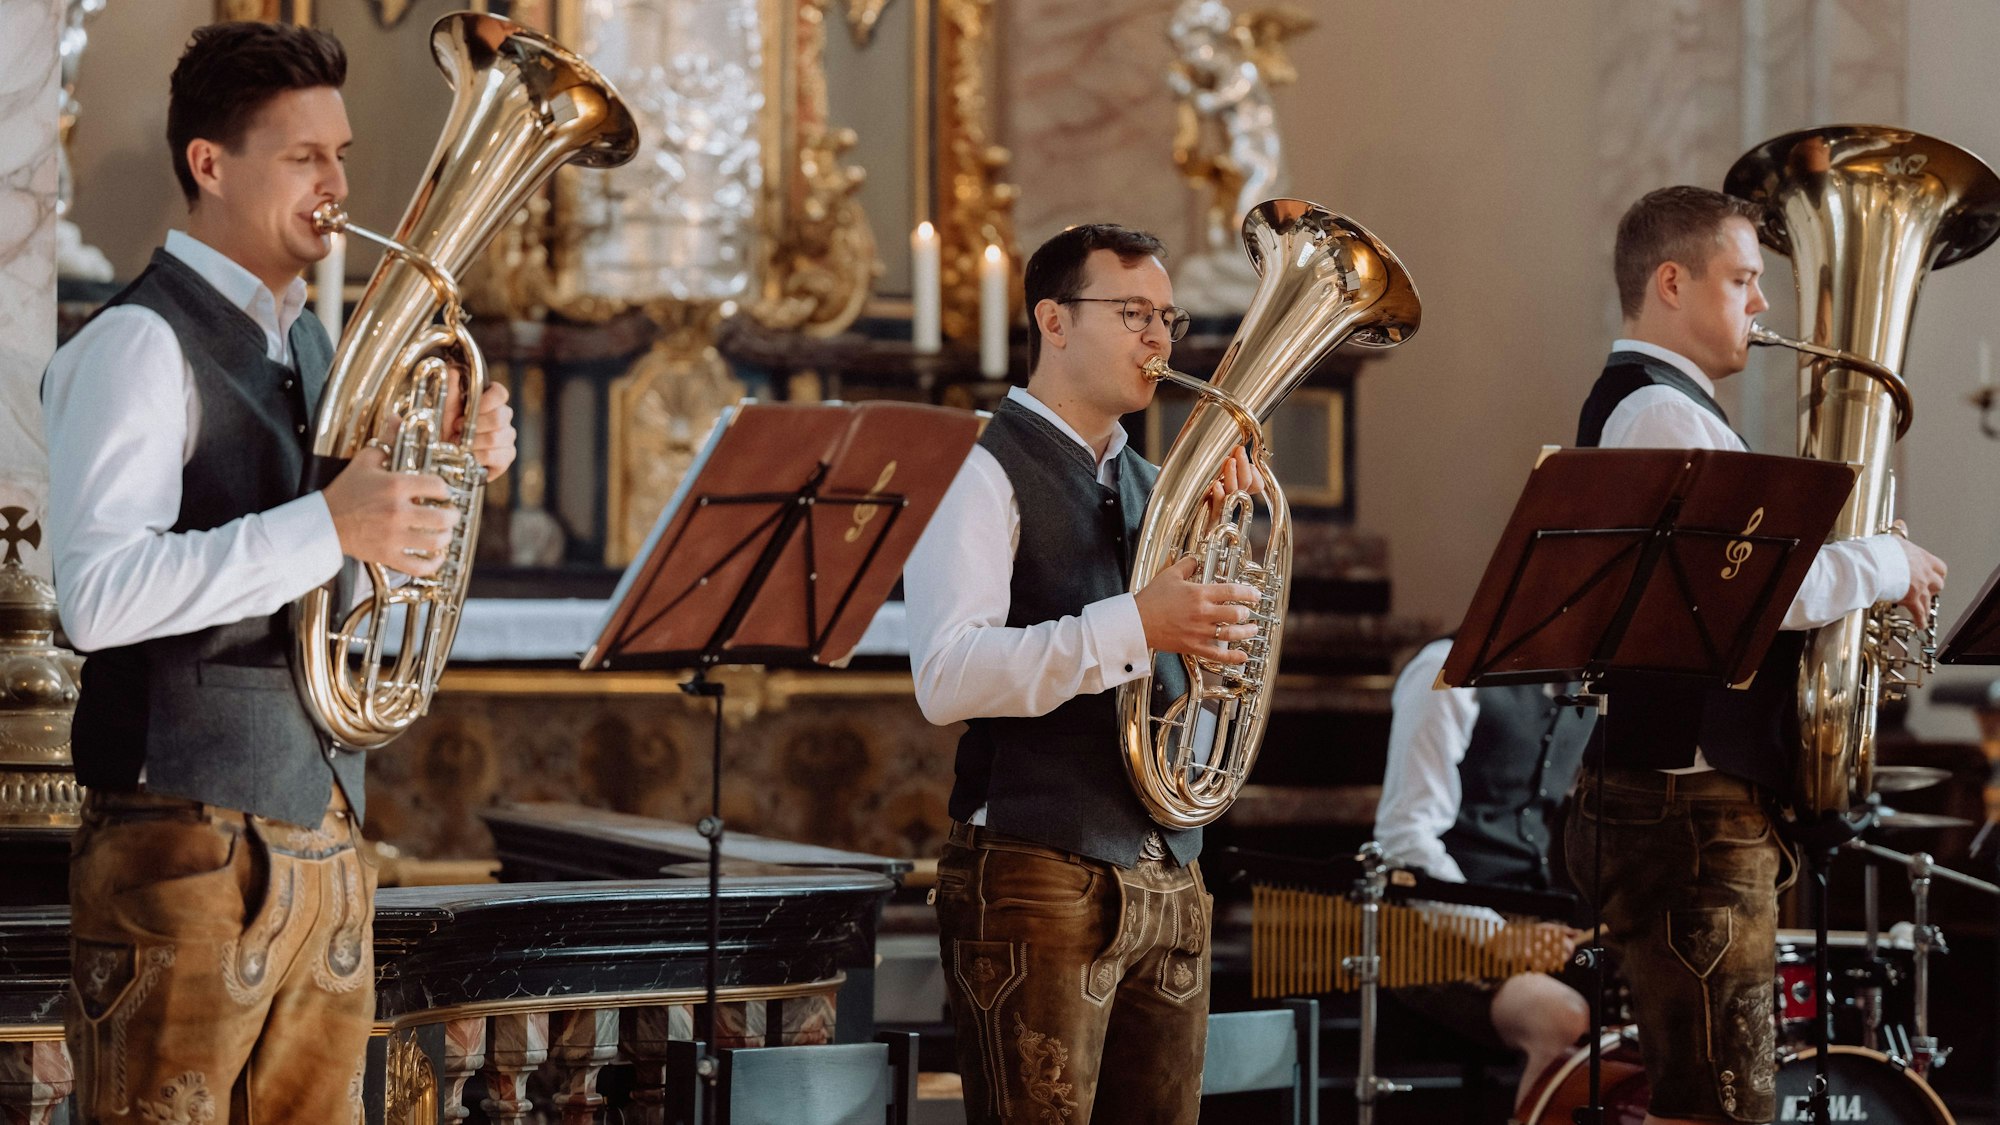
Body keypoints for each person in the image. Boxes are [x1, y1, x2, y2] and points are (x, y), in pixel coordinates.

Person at [43, 22, 516, 1122]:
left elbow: (347, 596)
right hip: (181, 846)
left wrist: (438, 478)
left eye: (339, 156)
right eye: (305, 157)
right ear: (210, 165)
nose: (338, 184)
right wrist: (329, 521)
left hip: (318, 833)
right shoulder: (137, 345)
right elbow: (99, 597)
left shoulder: (315, 346)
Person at [1561, 185, 1947, 1125]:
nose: (1762, 303)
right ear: (1671, 284)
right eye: (1743, 279)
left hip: (1695, 804)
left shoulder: (1671, 410)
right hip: (1687, 811)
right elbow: (1757, 594)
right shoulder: (1660, 412)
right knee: (1721, 1110)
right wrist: (1884, 560)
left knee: (1714, 1102)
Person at [904, 223, 1259, 1124]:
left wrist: (1216, 625)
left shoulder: (1157, 482)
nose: (1159, 339)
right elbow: (947, 677)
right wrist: (1138, 622)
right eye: (1133, 312)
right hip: (1037, 873)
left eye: (1168, 318)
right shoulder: (978, 470)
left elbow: (1187, 685)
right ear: (1053, 322)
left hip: (1168, 876)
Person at [1372, 636, 1595, 1108]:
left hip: (1527, 917)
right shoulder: (1447, 671)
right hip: (1427, 929)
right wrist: (1493, 936)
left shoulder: (1586, 689)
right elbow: (1404, 838)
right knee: (1561, 1019)